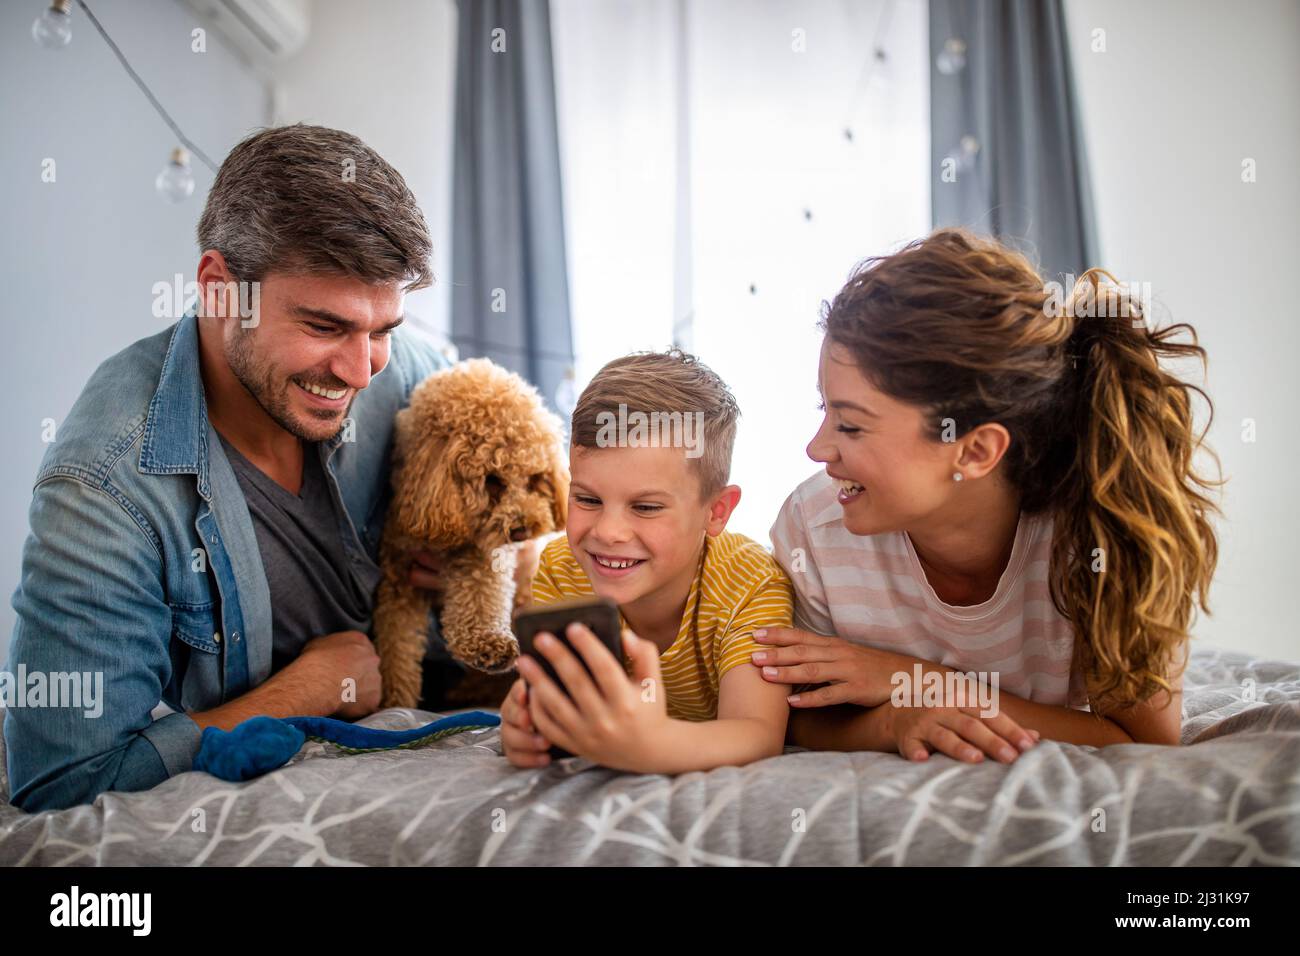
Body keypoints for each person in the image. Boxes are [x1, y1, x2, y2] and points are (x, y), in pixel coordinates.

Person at [4, 124, 498, 812]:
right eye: (324, 327)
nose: (362, 371)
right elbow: (61, 781)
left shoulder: (408, 379)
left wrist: (493, 565)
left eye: (383, 329)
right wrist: (297, 694)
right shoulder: (103, 489)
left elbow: (540, 520)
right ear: (218, 289)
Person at [757, 228, 1219, 763]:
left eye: (851, 426)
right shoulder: (813, 529)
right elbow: (797, 715)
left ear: (974, 451)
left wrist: (926, 683)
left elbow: (1144, 743)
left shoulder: (1102, 530)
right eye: (825, 411)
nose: (817, 449)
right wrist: (893, 718)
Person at [499, 350, 795, 773]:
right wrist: (526, 728)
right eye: (586, 499)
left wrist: (651, 746)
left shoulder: (749, 582)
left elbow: (757, 733)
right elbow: (552, 706)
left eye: (646, 507)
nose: (607, 532)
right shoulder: (561, 569)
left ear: (716, 512)